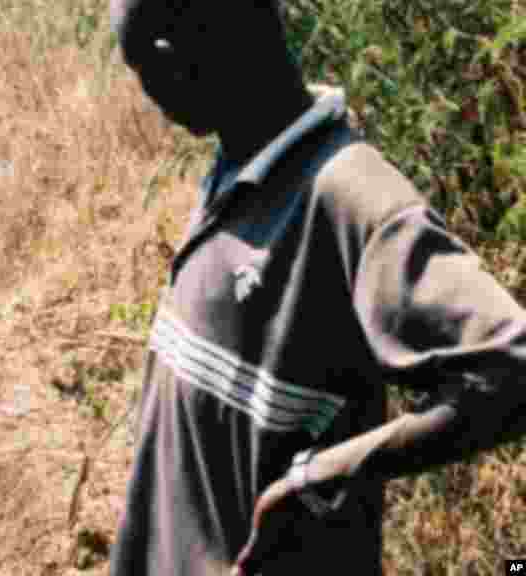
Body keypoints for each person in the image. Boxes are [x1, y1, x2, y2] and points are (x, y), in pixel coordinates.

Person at [107, 1, 526, 575]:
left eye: (139, 70)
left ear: (172, 59)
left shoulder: (352, 199)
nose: (149, 97)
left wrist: (323, 475)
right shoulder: (243, 162)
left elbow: (512, 366)